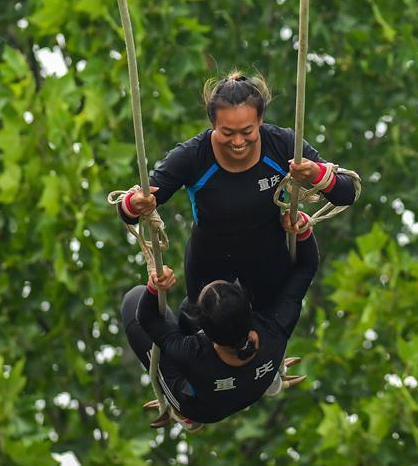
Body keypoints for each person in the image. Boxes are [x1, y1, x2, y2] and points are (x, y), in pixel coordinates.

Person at [117, 72, 360, 308]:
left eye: (247, 131)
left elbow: (346, 193)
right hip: (209, 283)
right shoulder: (192, 156)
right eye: (227, 132)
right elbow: (132, 209)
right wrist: (134, 204)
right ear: (213, 124)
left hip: (267, 275)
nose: (238, 142)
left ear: (260, 121)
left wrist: (317, 175)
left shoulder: (283, 144)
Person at [121, 211, 319, 428]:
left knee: (135, 299)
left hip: (201, 407)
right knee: (189, 306)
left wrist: (153, 289)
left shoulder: (190, 353)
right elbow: (306, 267)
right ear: (249, 306)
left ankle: (182, 413)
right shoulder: (277, 324)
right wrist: (302, 227)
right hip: (257, 376)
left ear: (204, 333)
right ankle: (265, 377)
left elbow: (146, 318)